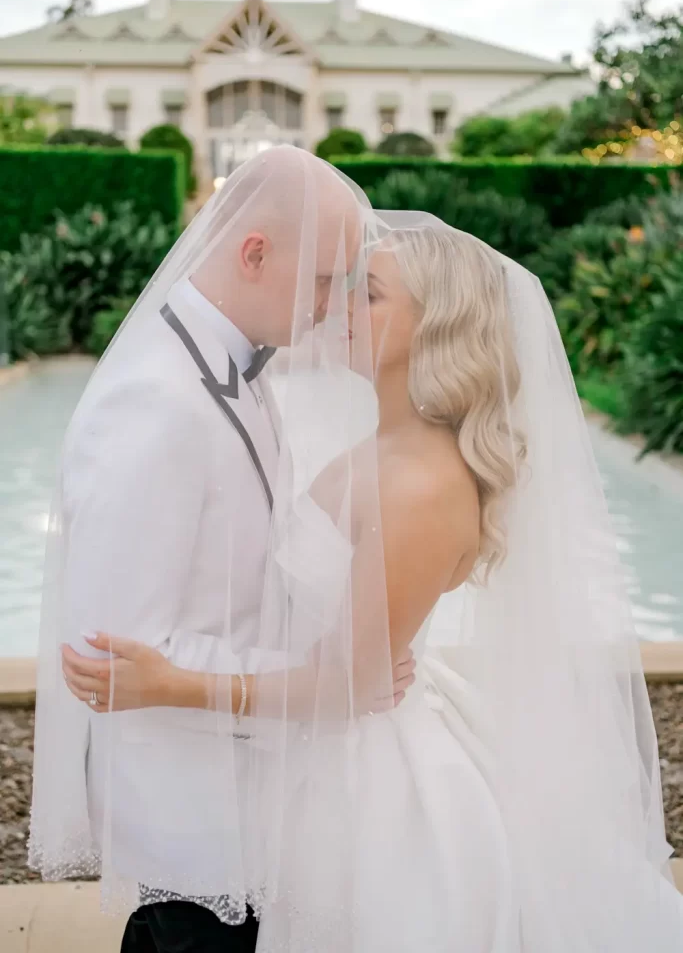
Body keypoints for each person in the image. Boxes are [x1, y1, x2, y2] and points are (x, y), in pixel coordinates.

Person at [63, 213, 683, 951]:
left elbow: (346, 684)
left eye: (371, 295)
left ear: (435, 326)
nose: (338, 306)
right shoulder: (385, 440)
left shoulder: (423, 486)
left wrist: (171, 684)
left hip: (368, 783)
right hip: (308, 750)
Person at [29, 147, 415, 953]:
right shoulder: (154, 402)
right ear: (254, 253)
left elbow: (253, 559)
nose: (330, 305)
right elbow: (118, 657)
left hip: (243, 799)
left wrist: (347, 643)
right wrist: (324, 684)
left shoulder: (228, 366)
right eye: (321, 278)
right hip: (191, 811)